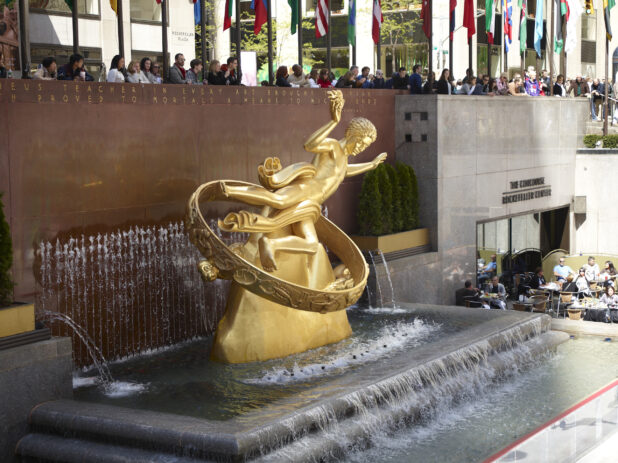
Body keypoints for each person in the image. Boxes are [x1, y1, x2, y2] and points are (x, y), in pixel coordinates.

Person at [219, 90, 385, 271]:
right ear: (353, 135)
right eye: (361, 142)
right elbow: (310, 145)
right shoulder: (333, 146)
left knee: (312, 245)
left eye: (365, 146)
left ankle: (271, 245)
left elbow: (345, 171)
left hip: (310, 205)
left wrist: (371, 165)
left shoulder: (344, 160)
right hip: (306, 189)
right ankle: (228, 190)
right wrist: (333, 121)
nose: (361, 148)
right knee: (277, 200)